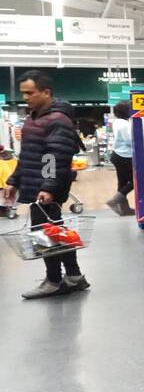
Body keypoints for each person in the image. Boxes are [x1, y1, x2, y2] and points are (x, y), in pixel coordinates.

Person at [1, 71, 89, 299]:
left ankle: (53, 280)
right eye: (23, 93)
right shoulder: (34, 117)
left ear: (46, 92)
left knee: (44, 233)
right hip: (38, 183)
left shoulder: (57, 120)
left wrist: (48, 186)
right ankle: (75, 276)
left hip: (48, 186)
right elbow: (29, 155)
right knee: (56, 231)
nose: (25, 97)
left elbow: (55, 155)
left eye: (30, 93)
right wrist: (14, 181)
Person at [107, 100, 135, 216]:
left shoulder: (117, 122)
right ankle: (115, 200)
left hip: (117, 154)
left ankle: (124, 209)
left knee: (122, 181)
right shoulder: (125, 124)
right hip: (125, 155)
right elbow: (129, 141)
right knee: (135, 180)